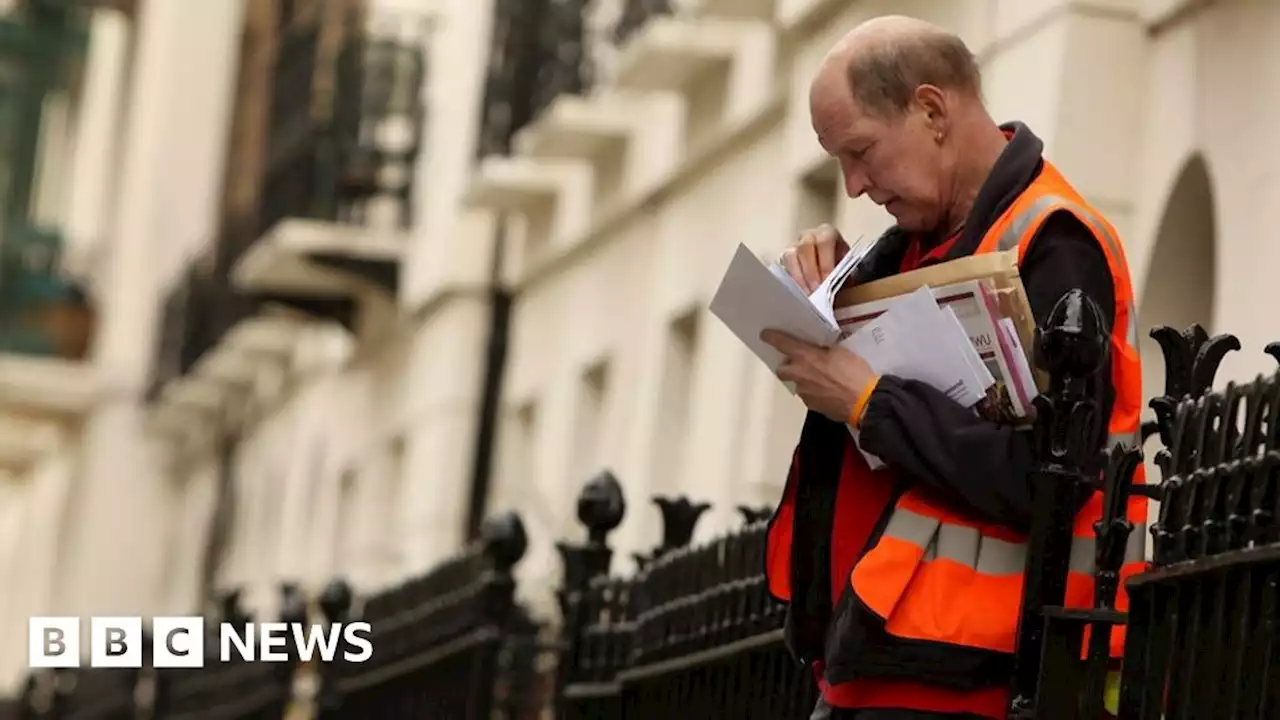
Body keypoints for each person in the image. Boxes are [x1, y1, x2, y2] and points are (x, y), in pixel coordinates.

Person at [759, 15, 1148, 720]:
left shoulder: (1055, 241)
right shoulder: (919, 241)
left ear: (932, 111)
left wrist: (871, 403)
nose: (853, 185)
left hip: (980, 673)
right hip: (881, 658)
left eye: (861, 152)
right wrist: (833, 281)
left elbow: (1051, 475)